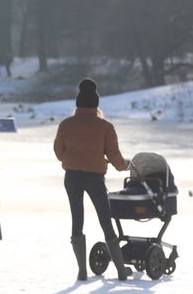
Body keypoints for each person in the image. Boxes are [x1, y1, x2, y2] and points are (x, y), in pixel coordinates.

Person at [53, 79, 133, 281]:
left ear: (78, 104)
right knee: (105, 220)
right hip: (95, 179)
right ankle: (121, 270)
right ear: (96, 104)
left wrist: (74, 158)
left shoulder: (66, 125)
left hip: (71, 177)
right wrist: (126, 165)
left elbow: (59, 152)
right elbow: (115, 157)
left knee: (77, 219)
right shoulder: (105, 127)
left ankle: (82, 271)